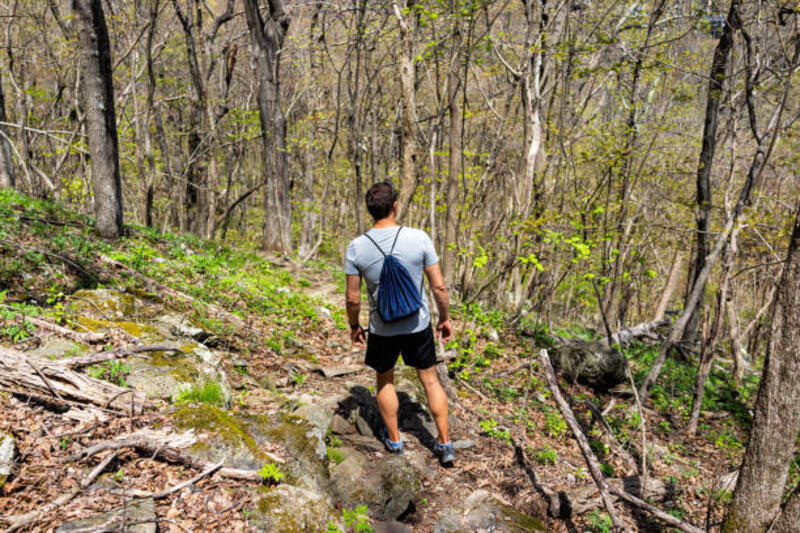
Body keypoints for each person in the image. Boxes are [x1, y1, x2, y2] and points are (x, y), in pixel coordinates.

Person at [345, 182, 455, 466]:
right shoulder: (418, 238)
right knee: (430, 380)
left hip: (382, 328)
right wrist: (444, 318)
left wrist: (354, 326)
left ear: (369, 210)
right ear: (395, 206)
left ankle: (395, 440)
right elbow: (439, 287)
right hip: (418, 324)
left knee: (385, 380)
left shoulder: (357, 247)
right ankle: (445, 443)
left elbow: (353, 298)